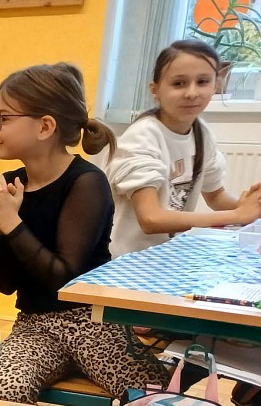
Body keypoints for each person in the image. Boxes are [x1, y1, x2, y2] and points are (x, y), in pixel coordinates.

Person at [0, 62, 168, 403]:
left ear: (45, 126)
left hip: (93, 322)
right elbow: (5, 284)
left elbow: (64, 279)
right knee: (3, 391)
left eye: (3, 118)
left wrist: (11, 223)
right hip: (34, 325)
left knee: (155, 396)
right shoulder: (9, 186)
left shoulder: (87, 183)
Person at [108, 39, 261, 258]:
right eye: (179, 83)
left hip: (170, 254)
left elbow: (216, 196)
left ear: (215, 86)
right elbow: (150, 219)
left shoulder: (202, 133)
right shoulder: (142, 137)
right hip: (127, 260)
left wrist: (249, 207)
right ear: (155, 90)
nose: (191, 93)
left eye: (202, 82)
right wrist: (237, 215)